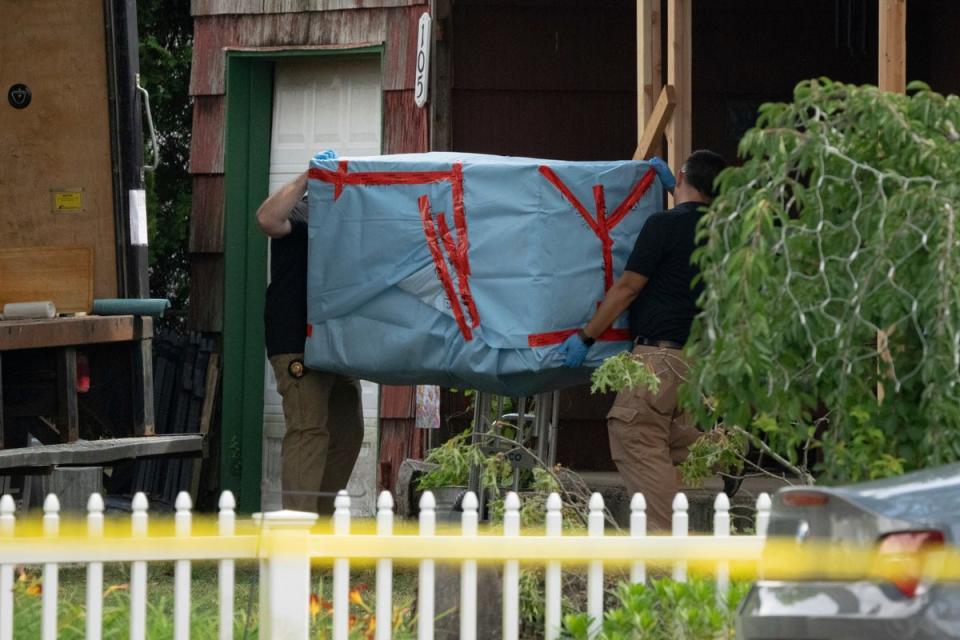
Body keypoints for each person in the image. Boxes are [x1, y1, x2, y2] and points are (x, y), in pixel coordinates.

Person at [558, 150, 727, 531]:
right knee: (668, 434)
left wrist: (586, 337)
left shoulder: (662, 226)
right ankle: (725, 453)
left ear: (680, 175)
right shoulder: (724, 231)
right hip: (696, 362)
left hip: (657, 357)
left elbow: (628, 287)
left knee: (633, 433)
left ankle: (664, 533)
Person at [256, 151, 364, 515]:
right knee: (309, 430)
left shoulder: (348, 225)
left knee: (348, 432)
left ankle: (319, 521)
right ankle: (297, 536)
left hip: (336, 343)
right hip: (296, 346)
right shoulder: (300, 214)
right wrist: (307, 176)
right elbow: (267, 219)